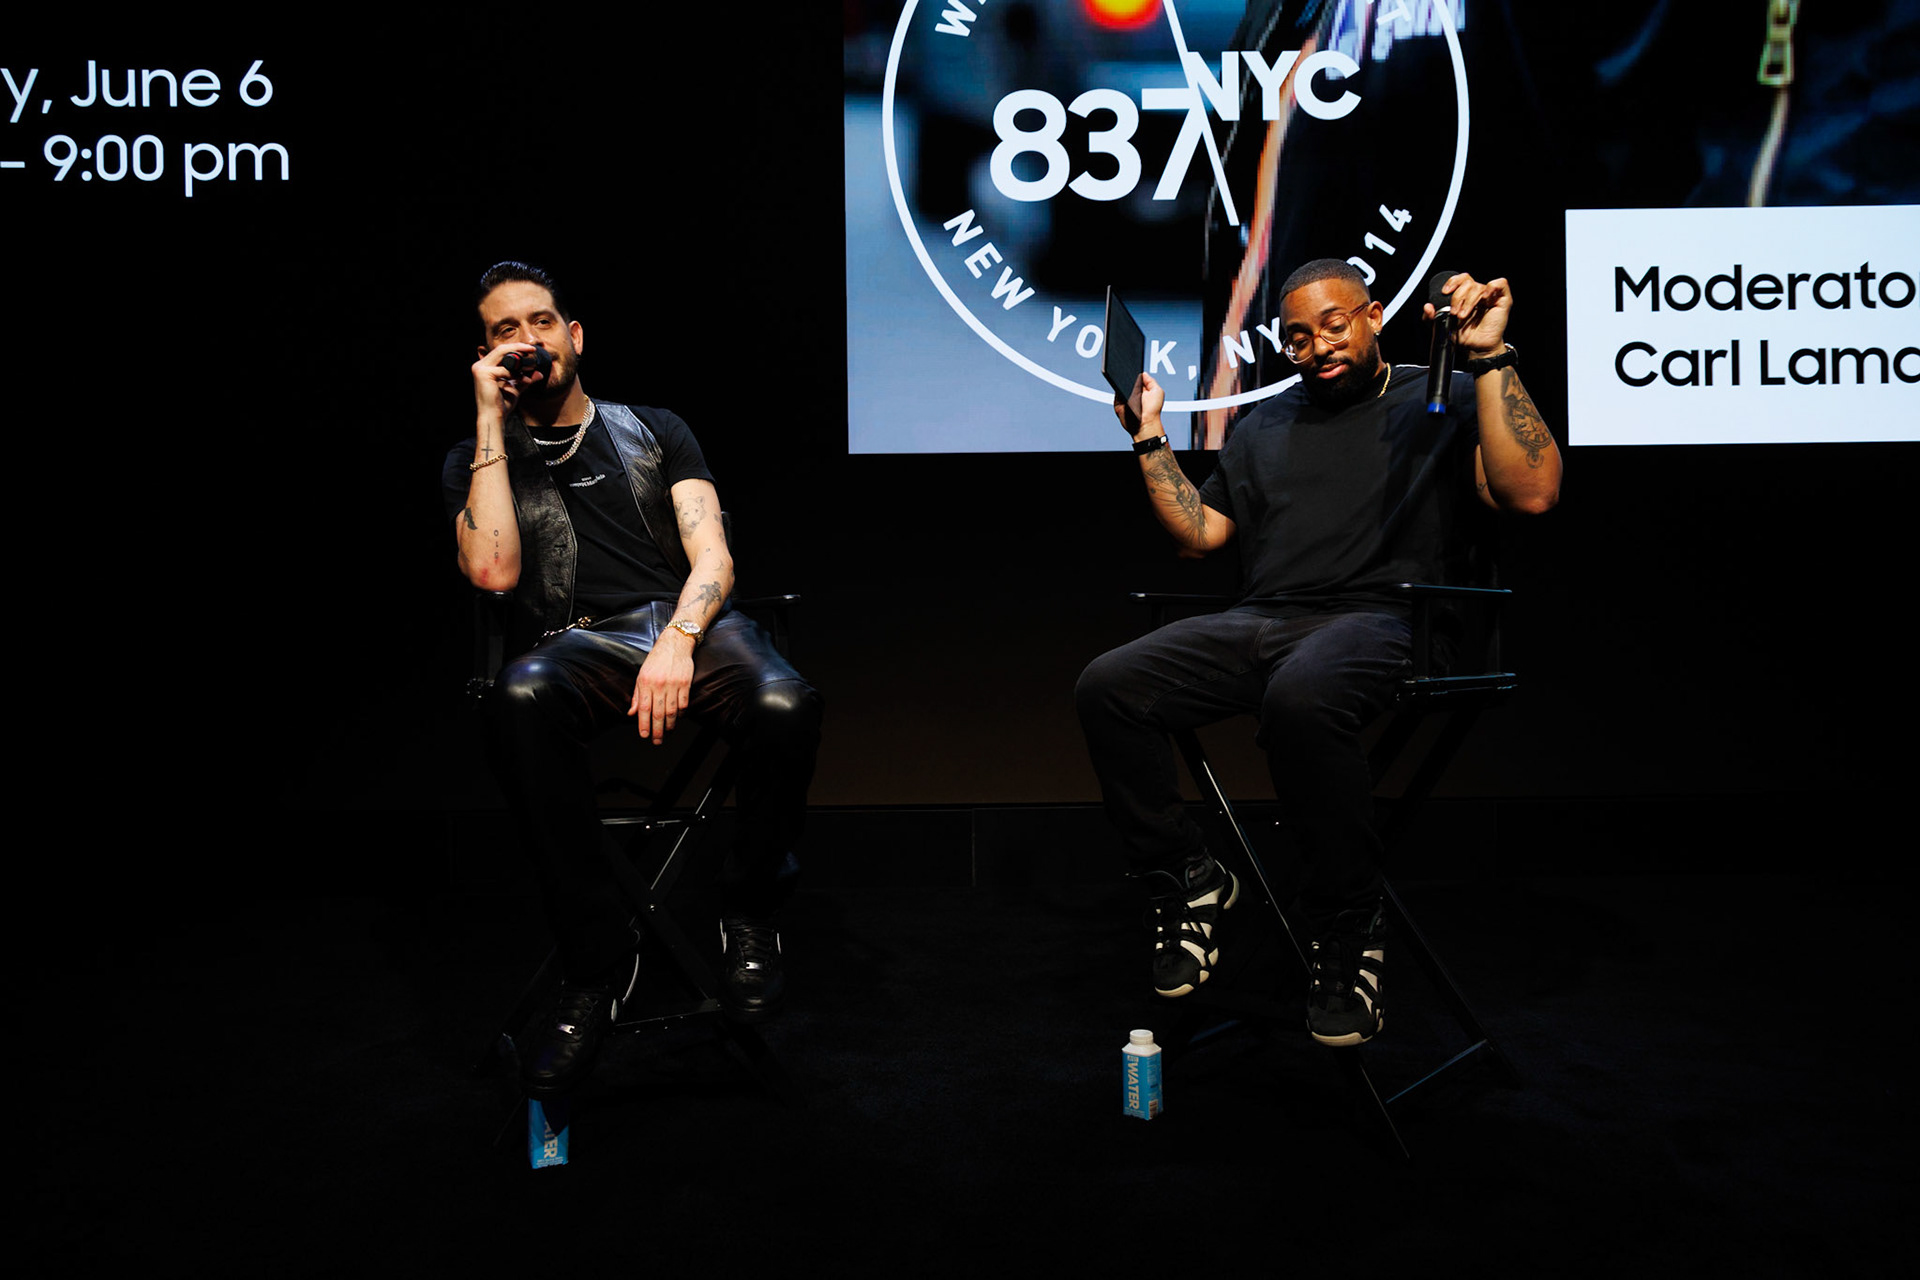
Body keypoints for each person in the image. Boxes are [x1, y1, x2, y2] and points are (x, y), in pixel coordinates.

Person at [1075, 259, 1560, 1046]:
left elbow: (1531, 492)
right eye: (1299, 337)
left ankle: (1346, 926)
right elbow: (1202, 534)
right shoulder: (1265, 424)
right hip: (1265, 620)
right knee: (1109, 684)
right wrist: (1148, 435)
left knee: (1302, 695)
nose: (1318, 345)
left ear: (1373, 316)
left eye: (1334, 325)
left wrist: (1493, 358)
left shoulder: (1443, 394)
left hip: (1386, 622)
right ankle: (1186, 876)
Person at [445, 261, 822, 1096]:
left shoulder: (655, 429)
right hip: (576, 642)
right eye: (504, 332)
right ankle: (595, 962)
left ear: (574, 336)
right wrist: (488, 420)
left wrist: (678, 639)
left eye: (541, 322)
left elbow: (714, 555)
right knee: (517, 698)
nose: (526, 341)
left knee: (785, 702)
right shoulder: (475, 460)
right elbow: (495, 575)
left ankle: (750, 912)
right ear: (485, 356)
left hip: (688, 622)